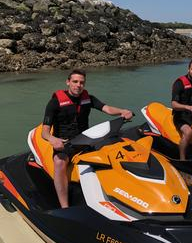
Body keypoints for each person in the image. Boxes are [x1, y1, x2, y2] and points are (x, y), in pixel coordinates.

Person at [42, 69, 133, 208]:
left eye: (81, 82)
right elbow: (45, 132)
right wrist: (53, 139)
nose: (78, 85)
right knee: (59, 163)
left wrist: (122, 111)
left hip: (86, 140)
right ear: (68, 82)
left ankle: (121, 194)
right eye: (75, 82)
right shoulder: (54, 103)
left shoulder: (88, 98)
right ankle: (64, 206)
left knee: (114, 153)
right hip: (65, 144)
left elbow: (107, 109)